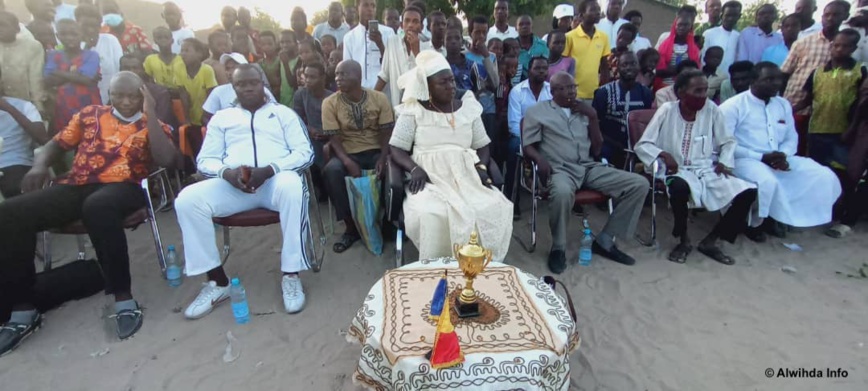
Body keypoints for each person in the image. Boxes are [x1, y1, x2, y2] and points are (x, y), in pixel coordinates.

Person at [0, 71, 177, 354]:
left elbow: (168, 160)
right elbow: (55, 145)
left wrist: (151, 113)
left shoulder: (152, 124)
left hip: (125, 187)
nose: (126, 101)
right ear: (109, 94)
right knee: (11, 212)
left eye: (133, 96)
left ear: (143, 96)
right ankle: (22, 309)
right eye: (119, 94)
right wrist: (38, 166)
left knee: (99, 206)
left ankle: (123, 299)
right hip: (78, 183)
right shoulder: (90, 115)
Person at [175, 64, 314, 319]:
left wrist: (270, 169)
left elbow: (305, 154)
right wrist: (226, 173)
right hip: (234, 186)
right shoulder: (222, 118)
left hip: (274, 182)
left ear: (262, 83)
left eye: (253, 82)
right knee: (187, 200)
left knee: (294, 186)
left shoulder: (283, 114)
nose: (248, 87)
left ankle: (291, 274)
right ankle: (217, 282)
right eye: (241, 84)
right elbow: (205, 160)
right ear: (233, 86)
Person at [388, 50, 513, 260]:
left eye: (452, 80)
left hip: (467, 175)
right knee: (432, 214)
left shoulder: (469, 107)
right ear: (427, 87)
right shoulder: (413, 110)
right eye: (443, 82)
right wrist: (414, 168)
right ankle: (440, 264)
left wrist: (481, 167)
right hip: (430, 178)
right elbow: (396, 148)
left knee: (493, 207)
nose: (451, 86)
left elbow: (482, 145)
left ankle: (477, 264)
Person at [523, 72, 647, 272]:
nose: (571, 91)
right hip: (560, 169)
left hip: (588, 167)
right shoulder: (537, 112)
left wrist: (593, 116)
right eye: (564, 88)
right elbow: (527, 145)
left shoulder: (584, 110)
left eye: (573, 87)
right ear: (553, 91)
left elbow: (597, 150)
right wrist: (539, 159)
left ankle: (606, 240)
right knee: (562, 192)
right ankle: (558, 247)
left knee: (639, 184)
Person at [635, 69, 756, 265]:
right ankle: (683, 240)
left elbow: (728, 141)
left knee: (748, 192)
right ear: (681, 91)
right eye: (697, 91)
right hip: (673, 170)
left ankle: (712, 240)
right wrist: (664, 155)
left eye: (705, 90)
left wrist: (724, 161)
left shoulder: (712, 110)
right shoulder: (667, 110)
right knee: (678, 187)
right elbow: (643, 145)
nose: (703, 96)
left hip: (706, 169)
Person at [721, 62, 841, 239]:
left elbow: (791, 138)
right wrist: (761, 157)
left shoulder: (782, 104)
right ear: (753, 81)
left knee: (822, 175)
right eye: (769, 79)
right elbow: (725, 144)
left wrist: (783, 155)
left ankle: (786, 217)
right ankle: (756, 225)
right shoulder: (733, 106)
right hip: (745, 159)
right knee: (767, 182)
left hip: (779, 158)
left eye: (778, 79)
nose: (776, 83)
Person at [321, 60, 394, 253]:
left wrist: (382, 158)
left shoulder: (379, 98)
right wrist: (346, 161)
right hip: (347, 151)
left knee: (391, 169)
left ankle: (387, 223)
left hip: (375, 150)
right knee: (332, 170)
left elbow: (387, 132)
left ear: (358, 75)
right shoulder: (330, 103)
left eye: (343, 74)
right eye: (336, 74)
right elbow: (333, 137)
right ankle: (351, 228)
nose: (338, 79)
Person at [784, 0, 850, 155]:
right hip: (796, 102)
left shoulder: (846, 46)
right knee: (794, 147)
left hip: (825, 111)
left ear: (845, 16)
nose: (830, 18)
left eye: (835, 15)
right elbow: (785, 73)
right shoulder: (803, 42)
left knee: (817, 151)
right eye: (827, 15)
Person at [793, 29, 865, 168]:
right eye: (836, 45)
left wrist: (852, 129)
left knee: (841, 168)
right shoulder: (818, 72)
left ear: (854, 48)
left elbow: (862, 104)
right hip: (817, 130)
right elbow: (807, 100)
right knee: (816, 167)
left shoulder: (860, 71)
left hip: (843, 131)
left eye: (845, 46)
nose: (839, 49)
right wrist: (788, 109)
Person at [507, 56, 552, 218]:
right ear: (529, 70)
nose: (541, 71)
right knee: (513, 148)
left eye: (544, 68)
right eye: (537, 68)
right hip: (523, 136)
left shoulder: (551, 90)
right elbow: (513, 124)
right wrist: (531, 142)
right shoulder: (518, 91)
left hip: (548, 137)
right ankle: (512, 200)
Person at [592, 51, 653, 168]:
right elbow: (596, 124)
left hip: (638, 146)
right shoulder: (603, 92)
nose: (629, 68)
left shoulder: (645, 93)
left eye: (633, 63)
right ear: (618, 68)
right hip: (609, 144)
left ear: (639, 66)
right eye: (624, 65)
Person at [45, 20, 101, 134]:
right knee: (65, 137)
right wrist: (77, 75)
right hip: (62, 106)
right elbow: (48, 80)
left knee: (90, 137)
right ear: (57, 36)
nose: (69, 38)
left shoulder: (91, 55)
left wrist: (58, 72)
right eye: (64, 34)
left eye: (74, 34)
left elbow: (87, 79)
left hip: (88, 104)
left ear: (82, 35)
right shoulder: (54, 55)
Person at [0, 68, 48, 198]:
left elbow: (42, 138)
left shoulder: (23, 106)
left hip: (14, 164)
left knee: (14, 191)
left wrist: (9, 109)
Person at [375, 6, 430, 107]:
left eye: (415, 21)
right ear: (401, 25)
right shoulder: (392, 42)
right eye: (407, 21)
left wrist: (416, 50)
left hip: (420, 107)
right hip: (398, 106)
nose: (410, 25)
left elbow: (428, 77)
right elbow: (384, 75)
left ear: (421, 27)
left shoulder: (428, 46)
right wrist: (371, 98)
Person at [201, 52, 275, 127]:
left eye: (234, 67)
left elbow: (274, 113)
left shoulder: (261, 90)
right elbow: (206, 117)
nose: (229, 72)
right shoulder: (218, 91)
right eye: (227, 68)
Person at [294, 62, 334, 181]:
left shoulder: (332, 98)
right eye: (306, 76)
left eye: (312, 77)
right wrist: (308, 128)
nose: (308, 80)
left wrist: (328, 133)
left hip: (331, 139)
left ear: (323, 78)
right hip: (311, 138)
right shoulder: (300, 94)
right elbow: (296, 120)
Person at [564, 0, 610, 101]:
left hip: (593, 93)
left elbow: (604, 66)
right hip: (573, 93)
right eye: (593, 10)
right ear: (581, 15)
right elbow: (563, 65)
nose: (598, 12)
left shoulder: (603, 37)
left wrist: (603, 89)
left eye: (598, 10)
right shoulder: (569, 37)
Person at [342, 0, 394, 89]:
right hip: (359, 92)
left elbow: (393, 64)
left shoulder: (388, 32)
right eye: (366, 5)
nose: (370, 9)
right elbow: (348, 68)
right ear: (357, 8)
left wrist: (380, 43)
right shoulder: (349, 37)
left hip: (384, 91)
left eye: (373, 6)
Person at [76, 4, 122, 105]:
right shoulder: (73, 45)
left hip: (110, 101)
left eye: (94, 26)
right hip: (81, 101)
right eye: (85, 26)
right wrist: (87, 47)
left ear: (100, 24)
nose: (90, 30)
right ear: (77, 24)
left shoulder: (110, 41)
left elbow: (120, 71)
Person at [0, 12, 45, 114]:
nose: (0, 29)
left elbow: (35, 77)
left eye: (4, 25)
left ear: (17, 29)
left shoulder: (32, 46)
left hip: (25, 102)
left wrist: (39, 106)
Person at [120, 54, 176, 131]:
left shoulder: (160, 92)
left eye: (135, 68)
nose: (131, 72)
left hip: (158, 133)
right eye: (126, 68)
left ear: (143, 70)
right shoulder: (117, 93)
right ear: (120, 70)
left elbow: (161, 120)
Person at [466, 16, 500, 144]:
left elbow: (496, 83)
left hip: (488, 109)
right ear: (470, 33)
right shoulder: (463, 55)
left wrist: (486, 56)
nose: (481, 36)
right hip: (470, 106)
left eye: (484, 32)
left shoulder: (491, 57)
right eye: (477, 32)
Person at [174, 38, 217, 131]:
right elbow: (183, 94)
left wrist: (206, 116)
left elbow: (212, 96)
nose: (183, 54)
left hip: (208, 116)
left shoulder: (207, 70)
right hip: (192, 117)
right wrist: (186, 118)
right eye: (182, 50)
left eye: (187, 50)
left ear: (199, 54)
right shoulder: (178, 68)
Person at [655, 6, 700, 90]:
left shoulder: (694, 47)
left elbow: (694, 68)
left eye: (686, 25)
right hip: (664, 86)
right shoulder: (664, 39)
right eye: (679, 24)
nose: (682, 27)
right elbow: (657, 63)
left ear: (691, 26)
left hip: (683, 88)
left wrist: (676, 69)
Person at [702, 1, 741, 76]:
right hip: (711, 78)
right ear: (721, 16)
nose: (730, 19)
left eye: (734, 15)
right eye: (728, 15)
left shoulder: (739, 37)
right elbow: (703, 58)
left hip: (731, 80)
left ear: (739, 17)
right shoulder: (709, 34)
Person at [515, 15, 549, 83]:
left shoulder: (543, 45)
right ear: (516, 28)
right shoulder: (511, 46)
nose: (524, 26)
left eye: (528, 24)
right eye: (521, 24)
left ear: (532, 26)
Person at [278, 30, 300, 107]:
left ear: (295, 43)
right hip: (283, 100)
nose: (285, 45)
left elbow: (292, 83)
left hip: (294, 102)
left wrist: (285, 64)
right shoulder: (279, 59)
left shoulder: (299, 60)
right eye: (282, 42)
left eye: (288, 42)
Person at [258, 31, 282, 98]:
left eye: (270, 44)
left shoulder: (280, 61)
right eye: (263, 44)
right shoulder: (260, 63)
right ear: (260, 46)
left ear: (275, 44)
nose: (267, 47)